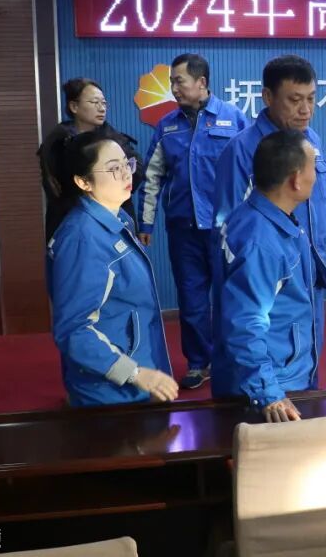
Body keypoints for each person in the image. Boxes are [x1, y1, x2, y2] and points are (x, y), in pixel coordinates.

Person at [214, 55, 326, 382]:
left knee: (304, 362)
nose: (305, 110)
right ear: (268, 97)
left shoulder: (311, 142)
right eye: (295, 100)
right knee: (263, 365)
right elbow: (226, 233)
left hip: (307, 276)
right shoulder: (242, 150)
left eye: (311, 99)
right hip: (265, 277)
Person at [138, 54, 248, 389]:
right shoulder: (167, 125)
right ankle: (199, 363)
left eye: (179, 81)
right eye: (171, 82)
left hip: (226, 230)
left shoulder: (233, 119)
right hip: (183, 229)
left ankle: (232, 360)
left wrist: (251, 222)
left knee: (232, 298)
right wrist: (146, 223)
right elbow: (152, 177)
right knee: (191, 300)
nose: (174, 88)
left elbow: (252, 173)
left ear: (201, 83)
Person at [46, 129, 178, 407]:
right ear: (84, 182)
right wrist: (135, 373)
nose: (126, 174)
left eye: (127, 164)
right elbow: (74, 330)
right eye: (114, 168)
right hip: (109, 392)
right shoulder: (83, 238)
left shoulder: (118, 218)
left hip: (135, 379)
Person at [213, 130, 318, 423]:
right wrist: (268, 393)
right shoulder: (262, 242)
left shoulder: (261, 216)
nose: (316, 176)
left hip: (273, 374)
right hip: (270, 387)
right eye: (313, 167)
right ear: (296, 180)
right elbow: (245, 322)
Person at [37, 77, 143, 242]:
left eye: (104, 103)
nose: (101, 108)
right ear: (74, 106)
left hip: (115, 218)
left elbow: (137, 173)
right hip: (72, 222)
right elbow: (55, 189)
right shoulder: (57, 144)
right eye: (94, 102)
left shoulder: (116, 140)